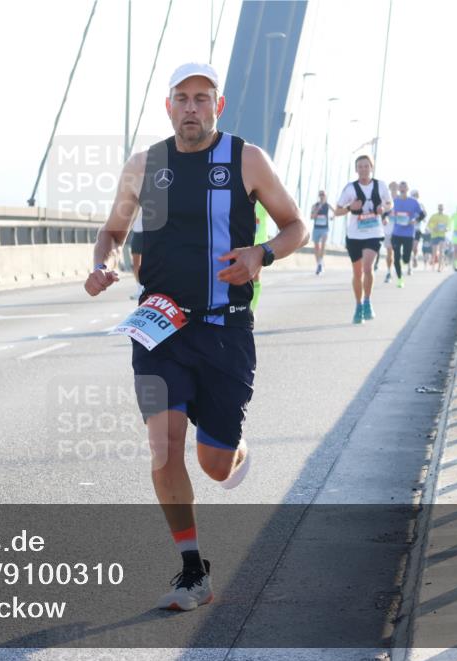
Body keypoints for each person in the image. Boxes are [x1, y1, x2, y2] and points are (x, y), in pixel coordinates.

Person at [84, 62, 307, 612]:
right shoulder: (145, 165)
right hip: (159, 326)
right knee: (163, 447)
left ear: (218, 106)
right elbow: (113, 230)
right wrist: (103, 263)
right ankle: (192, 570)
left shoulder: (247, 159)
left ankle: (233, 449)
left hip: (226, 327)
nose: (191, 107)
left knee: (213, 463)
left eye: (201, 98)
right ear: (168, 107)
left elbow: (295, 226)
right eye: (181, 98)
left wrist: (261, 254)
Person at [334, 155, 393, 323]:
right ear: (356, 169)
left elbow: (390, 203)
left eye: (366, 166)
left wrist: (383, 208)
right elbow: (337, 211)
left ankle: (367, 301)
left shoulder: (380, 186)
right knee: (357, 272)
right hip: (354, 235)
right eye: (360, 166)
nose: (363, 169)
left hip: (374, 233)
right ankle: (358, 305)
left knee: (368, 268)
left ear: (371, 168)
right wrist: (349, 208)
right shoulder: (350, 189)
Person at [390, 182, 423, 288]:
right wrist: (385, 217)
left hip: (408, 235)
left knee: (406, 259)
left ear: (407, 189)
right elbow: (387, 211)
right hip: (396, 233)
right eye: (401, 187)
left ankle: (405, 260)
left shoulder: (413, 202)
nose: (402, 189)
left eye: (404, 187)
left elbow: (423, 214)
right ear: (399, 189)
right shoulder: (394, 201)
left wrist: (415, 220)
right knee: (396, 257)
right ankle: (400, 279)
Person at [310, 191, 332, 275]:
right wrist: (317, 210)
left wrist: (332, 217)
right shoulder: (315, 206)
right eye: (320, 195)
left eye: (323, 195)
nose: (322, 196)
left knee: (323, 244)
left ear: (325, 196)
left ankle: (320, 261)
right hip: (316, 228)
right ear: (319, 196)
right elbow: (311, 217)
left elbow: (335, 212)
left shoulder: (328, 205)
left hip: (325, 229)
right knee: (316, 247)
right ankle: (319, 264)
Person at [427, 204, 450, 271]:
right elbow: (429, 224)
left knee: (441, 251)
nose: (440, 210)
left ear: (443, 209)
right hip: (434, 235)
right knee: (434, 252)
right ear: (438, 209)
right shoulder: (434, 216)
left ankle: (439, 267)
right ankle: (433, 265)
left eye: (441, 209)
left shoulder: (446, 217)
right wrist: (434, 227)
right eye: (439, 209)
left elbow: (449, 225)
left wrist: (447, 228)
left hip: (442, 235)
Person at [129, 212, 144, 299]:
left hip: (149, 233)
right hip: (137, 233)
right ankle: (140, 289)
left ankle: (148, 288)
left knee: (150, 262)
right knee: (136, 264)